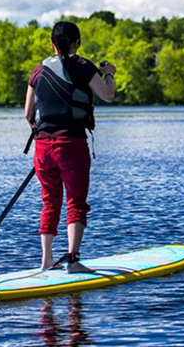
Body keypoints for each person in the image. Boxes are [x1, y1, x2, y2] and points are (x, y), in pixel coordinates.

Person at [25, 21, 116, 273]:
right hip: (72, 145)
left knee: (50, 202)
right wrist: (109, 73)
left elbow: (28, 113)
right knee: (75, 202)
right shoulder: (84, 66)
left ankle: (46, 261)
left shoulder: (38, 70)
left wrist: (42, 136)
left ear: (51, 44)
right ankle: (73, 261)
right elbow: (108, 95)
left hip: (43, 147)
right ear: (77, 43)